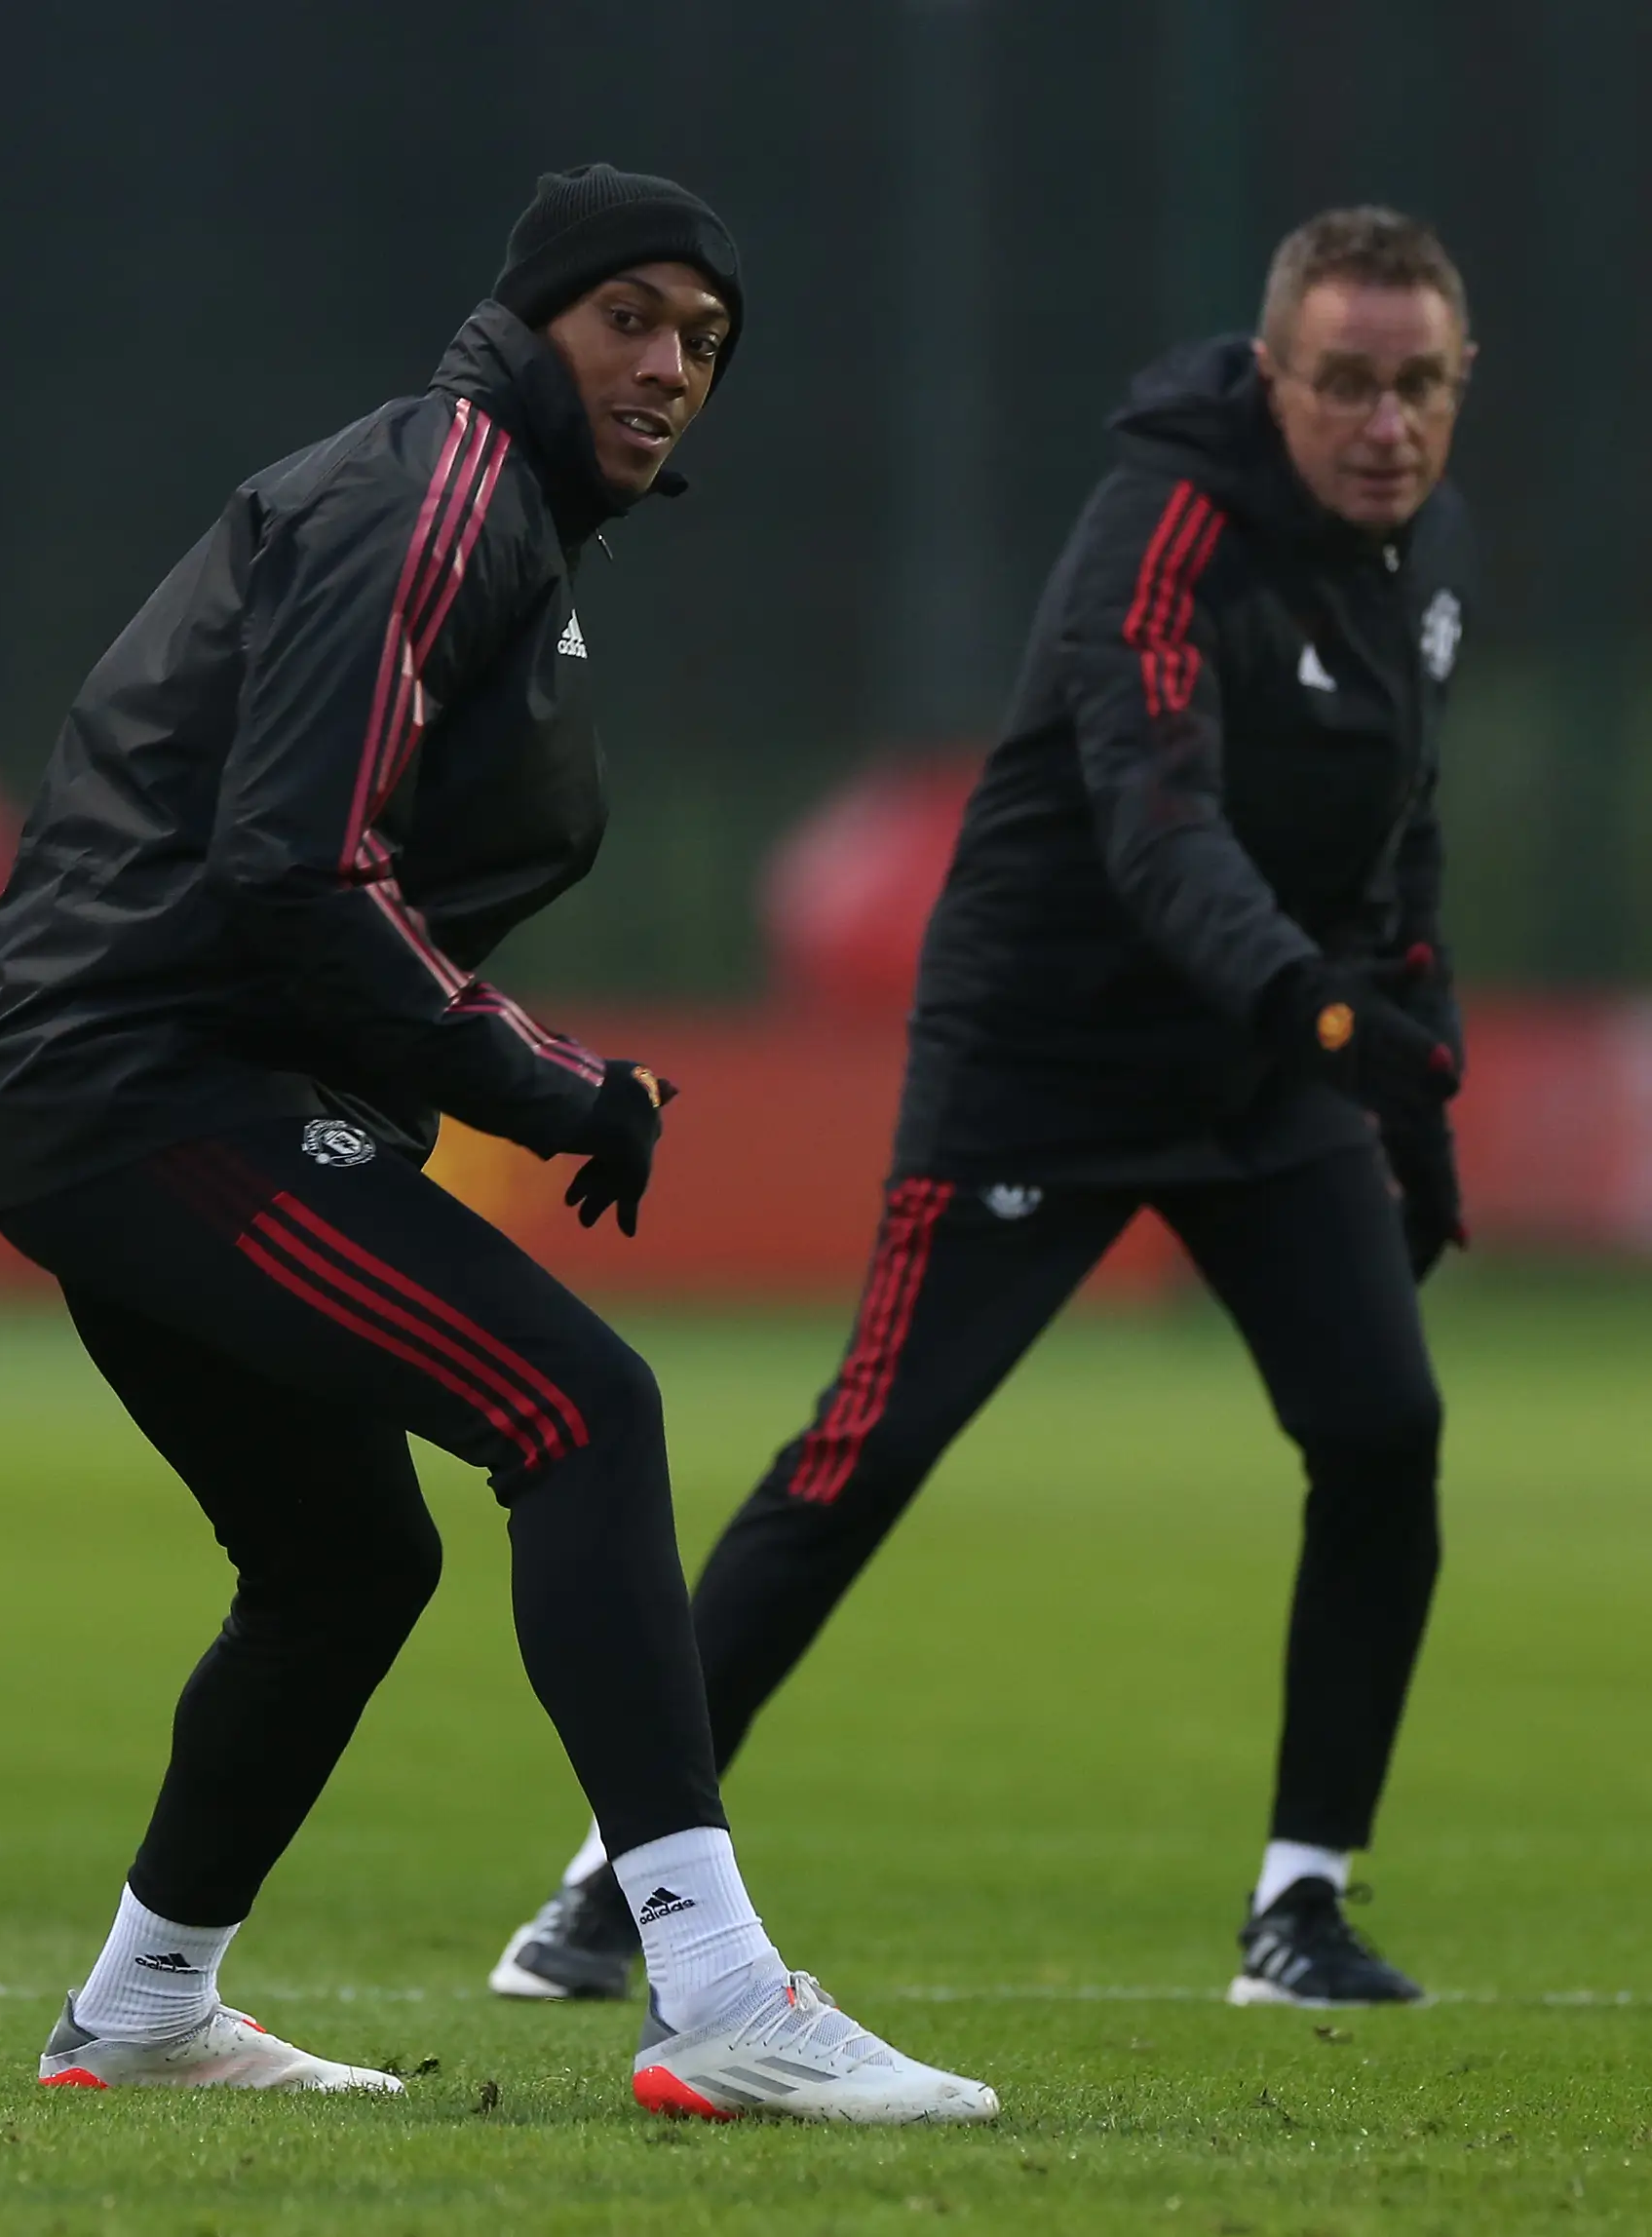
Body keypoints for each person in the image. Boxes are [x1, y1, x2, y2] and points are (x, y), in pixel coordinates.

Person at [0, 166, 999, 2121]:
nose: (674, 364)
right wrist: (549, 1081)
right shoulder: (438, 492)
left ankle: (143, 2008)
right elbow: (295, 871)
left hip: (121, 1092)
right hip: (152, 1090)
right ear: (532, 322)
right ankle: (717, 1988)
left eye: (707, 338)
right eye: (633, 318)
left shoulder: (495, 518)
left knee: (343, 1563)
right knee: (578, 1407)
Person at [492, 206, 1477, 2013]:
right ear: (1276, 382)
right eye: (1347, 382)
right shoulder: (1165, 528)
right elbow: (1158, 822)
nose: (1386, 422)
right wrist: (1332, 1014)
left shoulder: (1419, 555)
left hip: (1268, 1069)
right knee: (866, 1455)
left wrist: (1413, 1080)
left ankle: (1302, 1903)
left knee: (1384, 1433)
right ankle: (615, 1878)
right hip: (1049, 1061)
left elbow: (1395, 830)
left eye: (1420, 384)